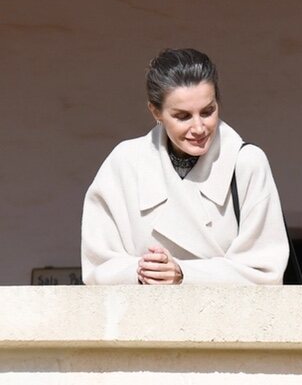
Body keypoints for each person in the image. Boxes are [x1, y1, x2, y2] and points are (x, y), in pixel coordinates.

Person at [81, 48, 289, 285]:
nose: (199, 128)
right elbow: (97, 266)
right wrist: (143, 271)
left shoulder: (247, 163)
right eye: (183, 116)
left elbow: (265, 271)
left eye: (208, 111)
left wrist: (183, 274)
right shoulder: (124, 164)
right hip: (143, 319)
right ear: (155, 111)